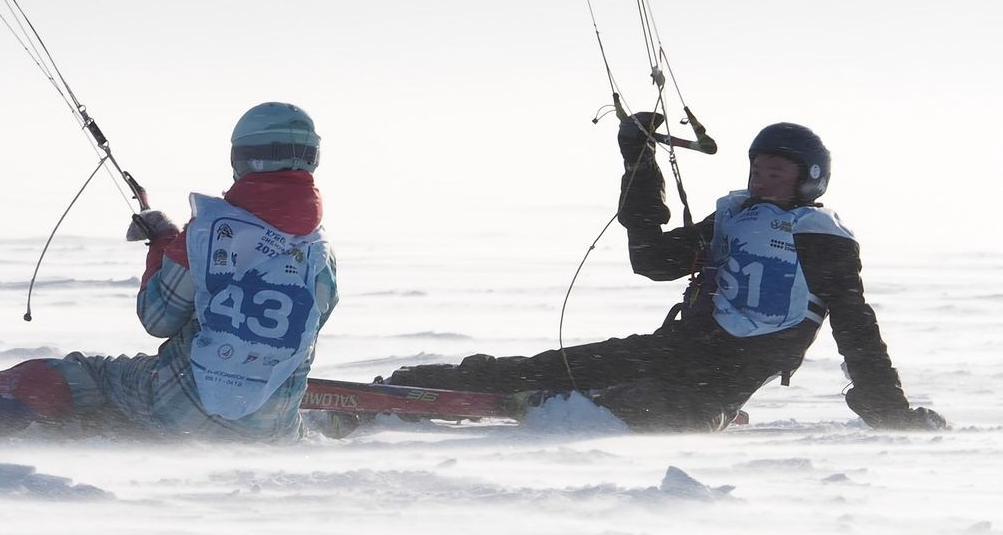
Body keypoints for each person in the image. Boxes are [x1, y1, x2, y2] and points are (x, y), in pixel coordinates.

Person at [387, 119, 945, 433]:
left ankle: (589, 408)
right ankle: (409, 389)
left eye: (775, 171)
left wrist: (886, 409)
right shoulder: (732, 216)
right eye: (755, 168)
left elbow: (855, 325)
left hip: (731, 372)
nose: (761, 177)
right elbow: (654, 260)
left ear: (809, 179)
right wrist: (639, 158)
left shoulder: (822, 236)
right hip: (682, 347)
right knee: (555, 366)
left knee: (654, 407)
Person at [0, 102, 338, 438]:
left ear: (240, 159)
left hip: (179, 406)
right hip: (272, 430)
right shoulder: (321, 252)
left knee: (82, 373)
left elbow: (158, 318)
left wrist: (162, 246)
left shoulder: (210, 234)